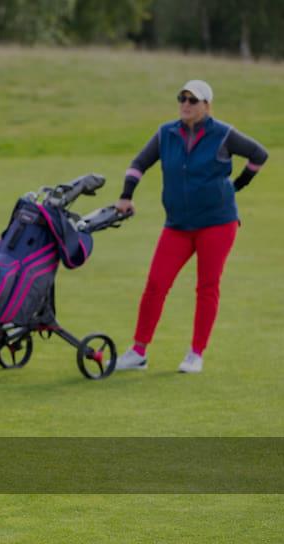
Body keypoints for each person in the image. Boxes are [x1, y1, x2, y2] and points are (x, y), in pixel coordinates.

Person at [114, 80, 268, 373]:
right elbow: (139, 163)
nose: (185, 104)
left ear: (206, 106)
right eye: (182, 98)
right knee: (156, 284)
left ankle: (196, 353)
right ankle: (138, 351)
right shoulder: (166, 133)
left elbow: (259, 154)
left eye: (192, 100)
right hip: (177, 225)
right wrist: (126, 195)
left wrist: (237, 185)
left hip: (217, 223)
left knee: (207, 287)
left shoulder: (223, 134)